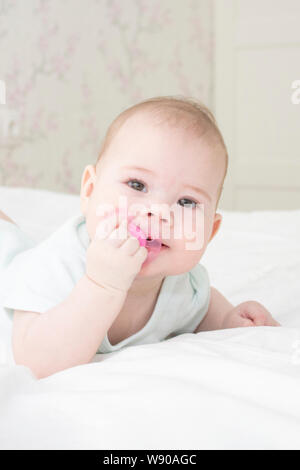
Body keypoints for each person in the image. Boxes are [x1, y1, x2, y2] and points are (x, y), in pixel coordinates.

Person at [1, 96, 280, 379]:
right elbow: (36, 364)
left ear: (209, 233)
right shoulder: (57, 264)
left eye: (186, 202)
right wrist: (102, 286)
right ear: (89, 191)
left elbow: (204, 312)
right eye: (137, 185)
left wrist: (232, 321)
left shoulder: (184, 286)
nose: (158, 213)